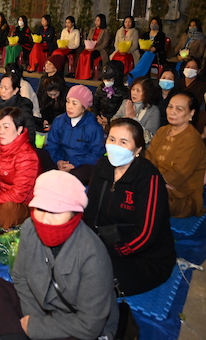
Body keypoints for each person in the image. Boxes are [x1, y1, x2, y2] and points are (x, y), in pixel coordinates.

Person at [0, 170, 119, 340]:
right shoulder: (30, 227)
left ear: (74, 215)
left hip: (74, 321)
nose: (44, 219)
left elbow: (89, 325)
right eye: (40, 209)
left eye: (55, 212)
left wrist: (36, 327)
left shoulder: (93, 254)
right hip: (40, 305)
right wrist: (34, 319)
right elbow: (20, 277)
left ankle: (11, 333)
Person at [85, 118, 176, 296]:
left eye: (123, 142)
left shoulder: (149, 177)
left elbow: (146, 234)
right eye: (112, 139)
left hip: (143, 256)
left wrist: (112, 252)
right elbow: (91, 209)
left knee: (94, 283)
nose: (115, 146)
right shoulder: (103, 165)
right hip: (105, 240)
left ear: (138, 150)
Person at [147, 92, 206, 217]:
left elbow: (179, 173)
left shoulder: (192, 139)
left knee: (146, 199)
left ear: (191, 113)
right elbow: (149, 158)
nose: (172, 112)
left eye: (179, 109)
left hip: (182, 196)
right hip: (156, 184)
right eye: (170, 106)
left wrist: (155, 185)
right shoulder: (162, 131)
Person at [43, 85, 105, 185]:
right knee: (40, 155)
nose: (69, 106)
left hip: (80, 166)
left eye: (74, 103)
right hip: (60, 162)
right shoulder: (59, 121)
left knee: (84, 172)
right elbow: (52, 144)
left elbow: (96, 154)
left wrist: (74, 164)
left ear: (84, 107)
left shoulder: (94, 127)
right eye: (68, 102)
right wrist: (59, 161)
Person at [111, 76, 160, 145]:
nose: (134, 93)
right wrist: (124, 119)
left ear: (147, 93)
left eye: (138, 91)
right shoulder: (126, 103)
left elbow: (149, 137)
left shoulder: (153, 110)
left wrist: (133, 119)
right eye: (133, 89)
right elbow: (113, 121)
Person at [0, 71, 35, 143]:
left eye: (6, 88)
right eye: (1, 87)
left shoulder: (23, 107)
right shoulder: (0, 102)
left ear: (15, 90)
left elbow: (30, 133)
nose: (2, 91)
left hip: (18, 145)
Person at [93, 60, 129, 130]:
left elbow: (123, 113)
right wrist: (97, 116)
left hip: (116, 123)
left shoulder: (124, 92)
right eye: (104, 79)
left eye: (109, 79)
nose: (105, 81)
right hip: (100, 120)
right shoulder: (101, 88)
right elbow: (95, 105)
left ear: (117, 78)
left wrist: (109, 120)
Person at [75, 13, 111, 80]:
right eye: (96, 20)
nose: (96, 22)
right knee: (82, 54)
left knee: (90, 55)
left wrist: (95, 48)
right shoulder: (92, 30)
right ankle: (82, 73)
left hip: (99, 50)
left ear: (102, 21)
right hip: (90, 48)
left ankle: (89, 72)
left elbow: (105, 44)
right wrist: (88, 45)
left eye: (98, 20)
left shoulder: (105, 31)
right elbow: (89, 39)